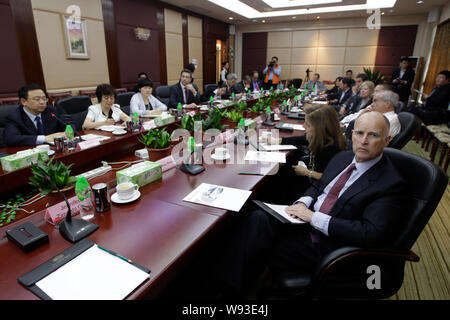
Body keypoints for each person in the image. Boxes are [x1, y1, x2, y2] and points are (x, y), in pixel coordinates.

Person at [214, 111, 405, 295]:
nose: (364, 141)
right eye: (360, 133)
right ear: (352, 134)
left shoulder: (390, 183)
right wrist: (302, 203)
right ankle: (231, 283)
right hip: (305, 223)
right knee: (257, 218)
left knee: (259, 240)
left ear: (387, 141)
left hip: (332, 244)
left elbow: (369, 234)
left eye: (373, 135)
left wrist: (313, 217)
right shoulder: (343, 158)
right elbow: (318, 187)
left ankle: (228, 291)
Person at [261, 105, 347, 204]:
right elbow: (302, 139)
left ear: (320, 128)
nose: (303, 126)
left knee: (274, 180)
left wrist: (307, 172)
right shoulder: (322, 137)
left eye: (308, 125)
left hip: (313, 189)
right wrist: (278, 140)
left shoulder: (331, 149)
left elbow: (334, 179)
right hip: (309, 177)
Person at [3, 84, 69, 147]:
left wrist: (67, 133)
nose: (42, 102)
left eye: (44, 99)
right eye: (37, 99)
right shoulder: (14, 117)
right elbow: (11, 139)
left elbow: (69, 123)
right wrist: (44, 138)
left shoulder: (52, 111)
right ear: (23, 101)